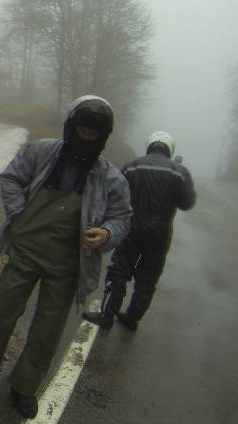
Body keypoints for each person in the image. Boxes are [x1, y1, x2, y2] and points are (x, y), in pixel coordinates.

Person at [0, 95, 132, 418]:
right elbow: (11, 178)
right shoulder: (41, 152)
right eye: (81, 130)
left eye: (93, 134)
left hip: (67, 264)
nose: (86, 137)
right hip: (25, 250)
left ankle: (25, 386)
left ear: (102, 138)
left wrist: (107, 233)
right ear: (70, 127)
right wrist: (18, 214)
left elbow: (122, 217)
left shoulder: (111, 179)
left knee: (47, 328)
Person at [82, 131, 196, 331]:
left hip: (132, 227)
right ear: (170, 149)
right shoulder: (180, 171)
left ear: (150, 145)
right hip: (161, 233)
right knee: (148, 277)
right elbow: (186, 204)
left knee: (119, 269)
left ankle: (107, 315)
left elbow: (117, 194)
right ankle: (132, 318)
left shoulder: (132, 166)